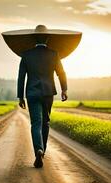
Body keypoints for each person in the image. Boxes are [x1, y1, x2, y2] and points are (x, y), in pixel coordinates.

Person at [17, 33, 68, 168]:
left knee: (36, 123)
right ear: (48, 39)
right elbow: (61, 73)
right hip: (48, 92)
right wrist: (64, 90)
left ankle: (38, 150)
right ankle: (42, 151)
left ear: (34, 39)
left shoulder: (26, 55)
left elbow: (21, 76)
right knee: (45, 122)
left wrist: (20, 96)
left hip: (32, 93)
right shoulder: (54, 54)